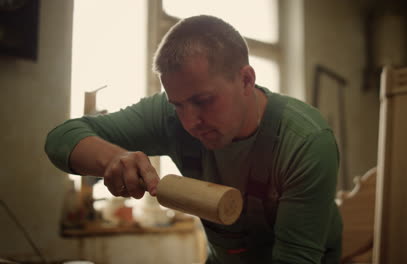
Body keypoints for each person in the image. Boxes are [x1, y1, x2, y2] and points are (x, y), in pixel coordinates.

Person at [45, 15, 342, 264]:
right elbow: (61, 139)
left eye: (203, 100)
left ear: (246, 80)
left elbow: (294, 259)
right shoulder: (169, 117)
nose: (190, 122)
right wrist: (111, 158)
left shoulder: (305, 142)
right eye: (178, 104)